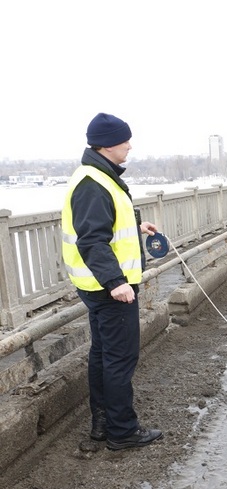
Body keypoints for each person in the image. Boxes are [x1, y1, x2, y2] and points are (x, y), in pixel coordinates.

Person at [61, 113, 163, 451]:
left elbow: (106, 228)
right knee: (120, 358)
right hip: (109, 289)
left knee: (103, 354)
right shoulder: (93, 183)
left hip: (96, 286)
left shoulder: (95, 175)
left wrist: (138, 228)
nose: (129, 146)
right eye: (124, 141)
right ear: (106, 144)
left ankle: (102, 425)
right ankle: (123, 431)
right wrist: (116, 282)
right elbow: (92, 241)